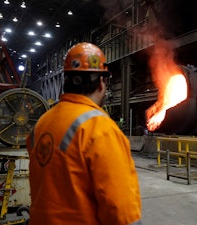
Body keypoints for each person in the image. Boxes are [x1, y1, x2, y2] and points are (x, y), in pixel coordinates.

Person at [26, 42, 142, 225]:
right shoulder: (100, 129)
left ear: (66, 81)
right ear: (102, 83)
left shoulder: (42, 123)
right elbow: (121, 211)